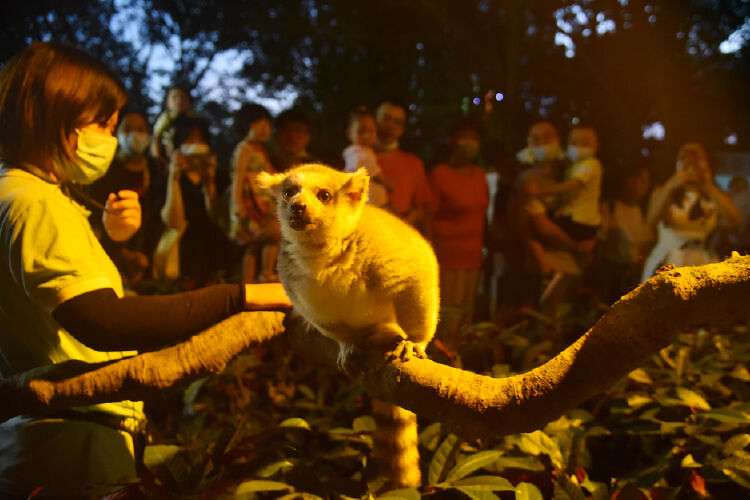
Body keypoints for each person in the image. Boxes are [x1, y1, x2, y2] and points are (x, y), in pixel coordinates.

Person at [0, 42, 291, 497]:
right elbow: (103, 322)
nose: (109, 139)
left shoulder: (18, 191)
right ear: (56, 117)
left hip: (54, 434)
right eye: (102, 124)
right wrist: (243, 296)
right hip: (71, 443)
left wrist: (101, 233)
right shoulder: (34, 203)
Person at [426, 117, 489, 346]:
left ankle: (462, 359)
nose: (469, 143)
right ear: (451, 141)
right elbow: (429, 217)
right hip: (447, 257)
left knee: (466, 313)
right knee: (447, 314)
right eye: (464, 137)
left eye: (474, 138)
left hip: (472, 256)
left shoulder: (481, 175)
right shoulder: (439, 174)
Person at [154, 114, 238, 284]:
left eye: (200, 140)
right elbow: (174, 222)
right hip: (179, 260)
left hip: (216, 258)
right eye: (189, 140)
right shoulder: (165, 177)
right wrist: (174, 178)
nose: (195, 146)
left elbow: (219, 220)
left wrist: (209, 185)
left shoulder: (219, 176)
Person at [641, 142, 743, 280]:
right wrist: (673, 183)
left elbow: (736, 220)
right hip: (668, 261)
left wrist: (708, 186)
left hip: (703, 263)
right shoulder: (663, 191)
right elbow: (651, 221)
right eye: (684, 157)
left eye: (697, 158)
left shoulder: (714, 195)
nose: (690, 163)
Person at [89, 110, 160, 286]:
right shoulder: (104, 172)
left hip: (152, 264)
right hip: (112, 261)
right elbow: (95, 221)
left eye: (140, 129)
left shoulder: (156, 170)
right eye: (127, 129)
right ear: (117, 133)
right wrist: (123, 254)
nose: (134, 134)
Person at [229, 103, 280, 283]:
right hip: (251, 203)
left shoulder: (260, 150)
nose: (266, 128)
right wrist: (237, 203)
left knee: (267, 239)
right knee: (258, 241)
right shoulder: (244, 149)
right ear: (248, 124)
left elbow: (271, 173)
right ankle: (251, 282)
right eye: (260, 123)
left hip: (264, 203)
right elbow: (238, 175)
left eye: (268, 123)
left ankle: (263, 275)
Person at [593, 165, 654, 303]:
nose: (639, 185)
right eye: (637, 179)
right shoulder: (610, 207)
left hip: (631, 275)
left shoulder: (644, 213)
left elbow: (645, 247)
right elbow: (600, 244)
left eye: (645, 181)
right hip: (609, 273)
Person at [374, 100, 432, 228]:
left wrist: (411, 217)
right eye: (386, 119)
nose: (390, 126)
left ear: (402, 129)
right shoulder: (354, 159)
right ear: (374, 120)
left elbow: (422, 210)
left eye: (397, 122)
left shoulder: (414, 164)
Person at [342, 106, 393, 208]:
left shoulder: (351, 153)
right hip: (371, 200)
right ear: (349, 133)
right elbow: (376, 174)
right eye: (361, 131)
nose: (366, 135)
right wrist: (389, 184)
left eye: (371, 131)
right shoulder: (361, 153)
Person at [150, 86, 193, 167]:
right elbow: (156, 137)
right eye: (174, 97)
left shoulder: (194, 121)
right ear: (168, 102)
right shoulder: (165, 119)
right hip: (168, 162)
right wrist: (158, 159)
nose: (179, 100)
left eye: (182, 97)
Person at [270, 108, 315, 172]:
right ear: (276, 135)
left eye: (298, 130)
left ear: (307, 136)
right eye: (287, 130)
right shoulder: (264, 162)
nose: (292, 136)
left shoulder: (317, 167)